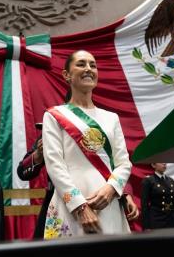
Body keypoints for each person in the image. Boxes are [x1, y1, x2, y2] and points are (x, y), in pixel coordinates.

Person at [42, 50, 133, 238]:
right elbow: (54, 166)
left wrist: (112, 189)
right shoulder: (54, 116)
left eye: (93, 65)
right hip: (71, 205)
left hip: (108, 203)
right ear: (67, 75)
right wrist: (79, 206)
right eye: (81, 64)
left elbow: (123, 163)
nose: (88, 69)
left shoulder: (111, 118)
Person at [141, 163, 174, 230]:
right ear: (153, 165)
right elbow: (144, 205)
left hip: (171, 220)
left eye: (165, 161)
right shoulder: (149, 181)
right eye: (161, 161)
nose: (164, 164)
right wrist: (146, 226)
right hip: (156, 220)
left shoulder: (171, 181)